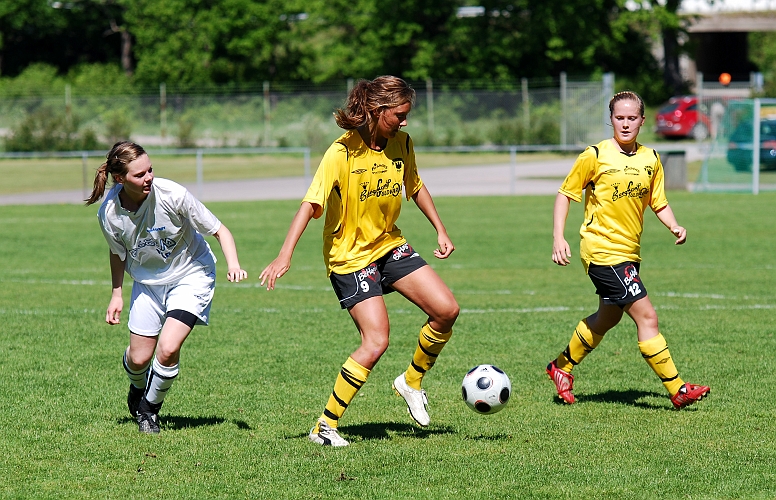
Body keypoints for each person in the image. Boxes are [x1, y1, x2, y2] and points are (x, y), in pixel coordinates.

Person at [259, 76, 459, 447]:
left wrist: (440, 230)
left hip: (388, 244)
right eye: (399, 114)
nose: (405, 121)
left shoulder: (402, 143)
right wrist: (284, 253)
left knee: (446, 310)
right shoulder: (341, 152)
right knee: (376, 341)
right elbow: (310, 204)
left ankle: (411, 381)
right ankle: (324, 426)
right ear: (378, 111)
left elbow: (414, 185)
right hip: (350, 258)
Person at [547, 91, 710, 410]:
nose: (625, 123)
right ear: (610, 119)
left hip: (629, 253)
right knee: (647, 316)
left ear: (642, 121)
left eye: (631, 118)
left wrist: (674, 225)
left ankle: (561, 367)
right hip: (602, 252)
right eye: (619, 118)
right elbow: (565, 194)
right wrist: (558, 237)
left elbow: (658, 201)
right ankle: (678, 389)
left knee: (607, 318)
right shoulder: (594, 155)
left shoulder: (651, 158)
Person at [85, 141, 247, 434]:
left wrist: (233, 264)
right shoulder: (109, 213)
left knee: (169, 348)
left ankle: (149, 410)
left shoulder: (173, 194)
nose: (148, 177)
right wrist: (116, 293)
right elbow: (117, 252)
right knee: (139, 359)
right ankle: (138, 386)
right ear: (120, 179)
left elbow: (220, 230)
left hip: (192, 273)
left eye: (150, 170)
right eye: (139, 175)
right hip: (148, 282)